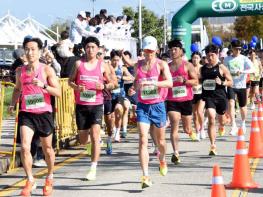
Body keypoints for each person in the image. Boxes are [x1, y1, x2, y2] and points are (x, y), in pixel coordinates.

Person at [9, 37, 61, 196]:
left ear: (39, 52)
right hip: (27, 113)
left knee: (47, 149)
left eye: (33, 49)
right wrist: (12, 103)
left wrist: (43, 86)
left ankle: (50, 177)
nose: (30, 52)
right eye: (27, 49)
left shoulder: (47, 70)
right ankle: (30, 179)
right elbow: (18, 89)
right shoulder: (20, 71)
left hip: (44, 113)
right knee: (24, 146)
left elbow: (58, 92)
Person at [68, 36, 112, 181]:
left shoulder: (103, 65)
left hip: (97, 104)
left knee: (94, 136)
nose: (90, 49)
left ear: (98, 49)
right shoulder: (78, 64)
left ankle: (93, 167)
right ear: (84, 49)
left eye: (93, 47)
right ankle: (94, 144)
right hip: (81, 105)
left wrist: (104, 86)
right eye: (88, 47)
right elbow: (70, 81)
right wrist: (77, 87)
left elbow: (114, 83)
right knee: (82, 139)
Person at [133, 36, 172, 188]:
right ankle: (145, 175)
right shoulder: (138, 65)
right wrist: (134, 88)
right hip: (143, 106)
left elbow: (169, 82)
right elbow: (137, 82)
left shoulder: (162, 65)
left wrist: (154, 82)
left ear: (156, 50)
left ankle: (162, 159)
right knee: (143, 139)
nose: (148, 53)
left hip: (158, 106)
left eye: (151, 51)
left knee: (161, 142)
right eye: (146, 50)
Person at [166, 39, 198, 165]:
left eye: (175, 49)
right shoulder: (167, 67)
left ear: (181, 51)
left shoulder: (187, 65)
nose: (173, 51)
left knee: (186, 128)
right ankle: (176, 153)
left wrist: (184, 81)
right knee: (174, 123)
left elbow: (195, 82)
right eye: (171, 49)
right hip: (172, 100)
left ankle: (190, 131)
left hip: (186, 100)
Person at [201, 44, 232, 155]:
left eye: (212, 55)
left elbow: (230, 82)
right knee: (211, 118)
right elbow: (199, 80)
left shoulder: (221, 67)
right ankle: (213, 145)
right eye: (208, 56)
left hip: (221, 97)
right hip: (209, 97)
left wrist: (222, 82)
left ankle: (223, 124)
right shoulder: (203, 69)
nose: (210, 58)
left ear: (217, 54)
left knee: (222, 120)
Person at [224, 39, 253, 135]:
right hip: (231, 85)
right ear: (232, 48)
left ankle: (243, 123)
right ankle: (233, 125)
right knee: (231, 103)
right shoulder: (227, 59)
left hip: (241, 85)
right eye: (236, 49)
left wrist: (243, 72)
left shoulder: (244, 58)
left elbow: (252, 69)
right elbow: (223, 70)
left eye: (240, 49)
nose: (238, 51)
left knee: (242, 107)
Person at [191, 51, 206, 141]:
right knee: (195, 114)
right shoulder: (189, 68)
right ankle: (197, 132)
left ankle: (202, 129)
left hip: (201, 92)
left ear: (200, 59)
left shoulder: (203, 68)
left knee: (200, 111)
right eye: (194, 58)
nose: (195, 59)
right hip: (192, 93)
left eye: (197, 58)